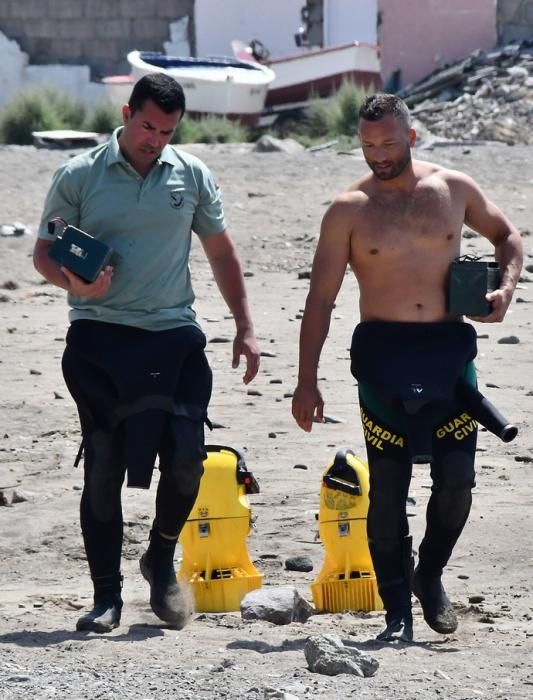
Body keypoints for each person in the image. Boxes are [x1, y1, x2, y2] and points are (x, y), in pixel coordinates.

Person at [33, 73, 260, 633]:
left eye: (166, 131)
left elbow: (221, 252)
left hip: (174, 335)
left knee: (187, 460)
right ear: (127, 112)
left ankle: (159, 556)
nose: (155, 139)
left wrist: (245, 325)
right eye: (147, 126)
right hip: (98, 337)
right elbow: (44, 253)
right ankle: (106, 598)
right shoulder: (80, 174)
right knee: (104, 466)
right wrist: (75, 286)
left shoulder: (192, 175)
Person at [292, 93, 523, 641]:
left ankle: (430, 576)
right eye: (369, 145)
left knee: (457, 485)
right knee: (388, 494)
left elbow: (508, 238)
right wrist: (306, 380)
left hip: (449, 355)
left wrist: (505, 291)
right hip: (383, 359)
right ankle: (396, 609)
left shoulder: (454, 189)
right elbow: (320, 300)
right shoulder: (348, 209)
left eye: (389, 143)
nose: (379, 155)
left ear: (411, 136)